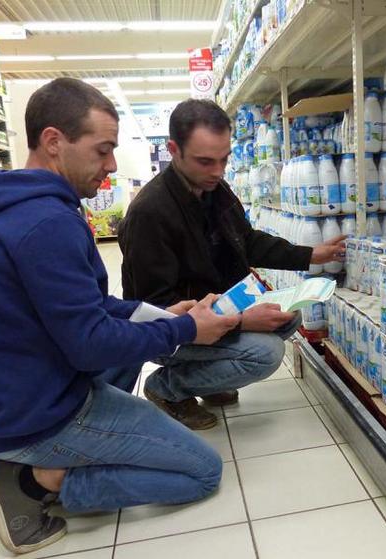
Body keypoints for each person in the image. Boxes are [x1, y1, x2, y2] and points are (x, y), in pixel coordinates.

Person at [0, 78, 240, 555]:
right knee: (201, 471)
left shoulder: (24, 206)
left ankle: (68, 454)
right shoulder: (47, 223)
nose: (110, 166)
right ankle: (35, 483)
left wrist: (157, 314)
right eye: (103, 150)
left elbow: (85, 306)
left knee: (132, 337)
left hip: (7, 395)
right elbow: (90, 342)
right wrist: (188, 329)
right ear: (53, 142)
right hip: (32, 415)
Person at [118, 99, 345, 429]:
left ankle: (207, 380)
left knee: (289, 317)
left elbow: (248, 241)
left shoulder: (214, 190)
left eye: (223, 160)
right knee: (266, 353)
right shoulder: (149, 214)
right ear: (173, 150)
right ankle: (166, 388)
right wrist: (239, 321)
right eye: (205, 161)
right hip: (168, 332)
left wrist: (311, 255)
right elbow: (157, 311)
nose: (218, 171)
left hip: (218, 308)